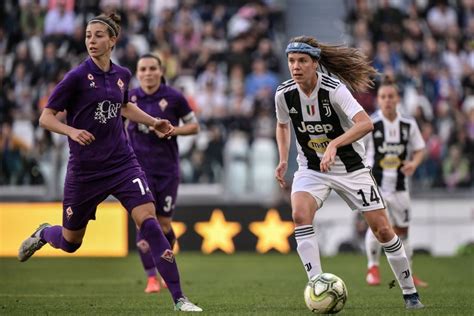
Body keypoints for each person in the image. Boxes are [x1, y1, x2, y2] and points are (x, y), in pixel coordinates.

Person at [17, 13, 202, 312]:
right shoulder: (77, 76)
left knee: (150, 222)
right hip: (85, 171)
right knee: (70, 242)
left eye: (99, 35)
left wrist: (154, 121)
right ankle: (42, 233)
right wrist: (72, 131)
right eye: (89, 35)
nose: (92, 40)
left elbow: (125, 106)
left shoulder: (122, 75)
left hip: (122, 163)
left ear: (112, 40)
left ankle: (180, 299)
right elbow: (45, 117)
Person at [274, 35, 424, 309]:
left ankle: (410, 293)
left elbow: (365, 123)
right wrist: (284, 159)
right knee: (299, 214)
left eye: (302, 61)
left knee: (382, 230)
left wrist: (334, 143)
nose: (295, 66)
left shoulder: (334, 89)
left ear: (315, 63)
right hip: (312, 167)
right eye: (291, 61)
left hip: (351, 168)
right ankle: (317, 283)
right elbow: (282, 125)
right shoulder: (284, 94)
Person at [127, 53, 199, 293]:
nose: (147, 73)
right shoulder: (129, 98)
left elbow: (194, 126)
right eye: (143, 69)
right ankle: (151, 278)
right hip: (137, 170)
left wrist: (172, 131)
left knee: (164, 224)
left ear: (160, 71)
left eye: (152, 68)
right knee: (145, 222)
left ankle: (166, 270)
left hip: (167, 169)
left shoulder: (174, 97)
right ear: (137, 73)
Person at [364, 76, 428, 288]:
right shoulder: (370, 124)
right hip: (377, 185)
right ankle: (372, 267)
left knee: (403, 230)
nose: (388, 100)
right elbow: (358, 150)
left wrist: (414, 163)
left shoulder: (408, 124)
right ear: (378, 100)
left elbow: (420, 148)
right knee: (377, 227)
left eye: (391, 96)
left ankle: (408, 274)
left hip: (400, 187)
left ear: (397, 98)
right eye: (383, 96)